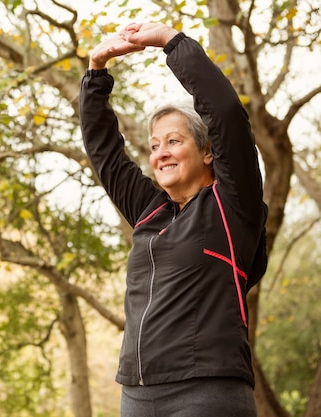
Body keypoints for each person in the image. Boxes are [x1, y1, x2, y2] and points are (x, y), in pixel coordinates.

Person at [79, 22, 268, 416]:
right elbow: (106, 155)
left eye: (174, 141)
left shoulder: (232, 206)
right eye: (154, 145)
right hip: (136, 392)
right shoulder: (152, 213)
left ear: (208, 153)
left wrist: (172, 42)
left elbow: (228, 114)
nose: (160, 153)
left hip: (206, 391)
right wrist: (96, 72)